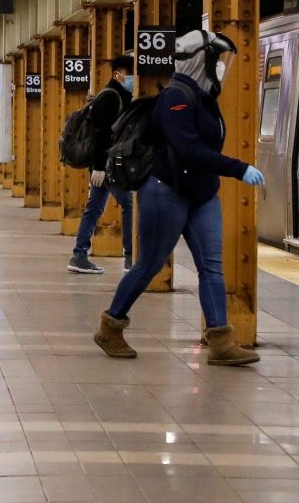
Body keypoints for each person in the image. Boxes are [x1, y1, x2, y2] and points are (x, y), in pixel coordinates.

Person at [94, 30, 264, 365]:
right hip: (165, 192)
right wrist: (237, 168)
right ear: (202, 60)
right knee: (150, 264)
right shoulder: (176, 97)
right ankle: (110, 327)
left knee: (211, 266)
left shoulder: (203, 98)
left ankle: (221, 341)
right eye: (218, 61)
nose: (222, 70)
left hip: (201, 193)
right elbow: (189, 149)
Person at [68, 55, 136, 275]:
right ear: (118, 74)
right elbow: (100, 134)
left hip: (107, 164)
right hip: (108, 165)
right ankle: (130, 257)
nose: (133, 78)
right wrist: (98, 167)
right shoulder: (110, 97)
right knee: (129, 205)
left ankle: (79, 255)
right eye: (129, 74)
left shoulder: (120, 95)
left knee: (94, 207)